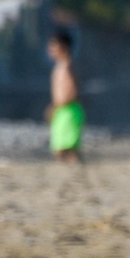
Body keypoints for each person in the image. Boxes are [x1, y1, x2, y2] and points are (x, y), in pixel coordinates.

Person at [46, 28, 84, 163]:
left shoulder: (67, 66)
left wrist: (56, 106)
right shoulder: (61, 66)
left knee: (67, 148)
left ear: (64, 47)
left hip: (68, 109)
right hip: (63, 109)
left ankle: (77, 172)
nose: (50, 49)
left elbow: (72, 90)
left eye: (53, 45)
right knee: (60, 147)